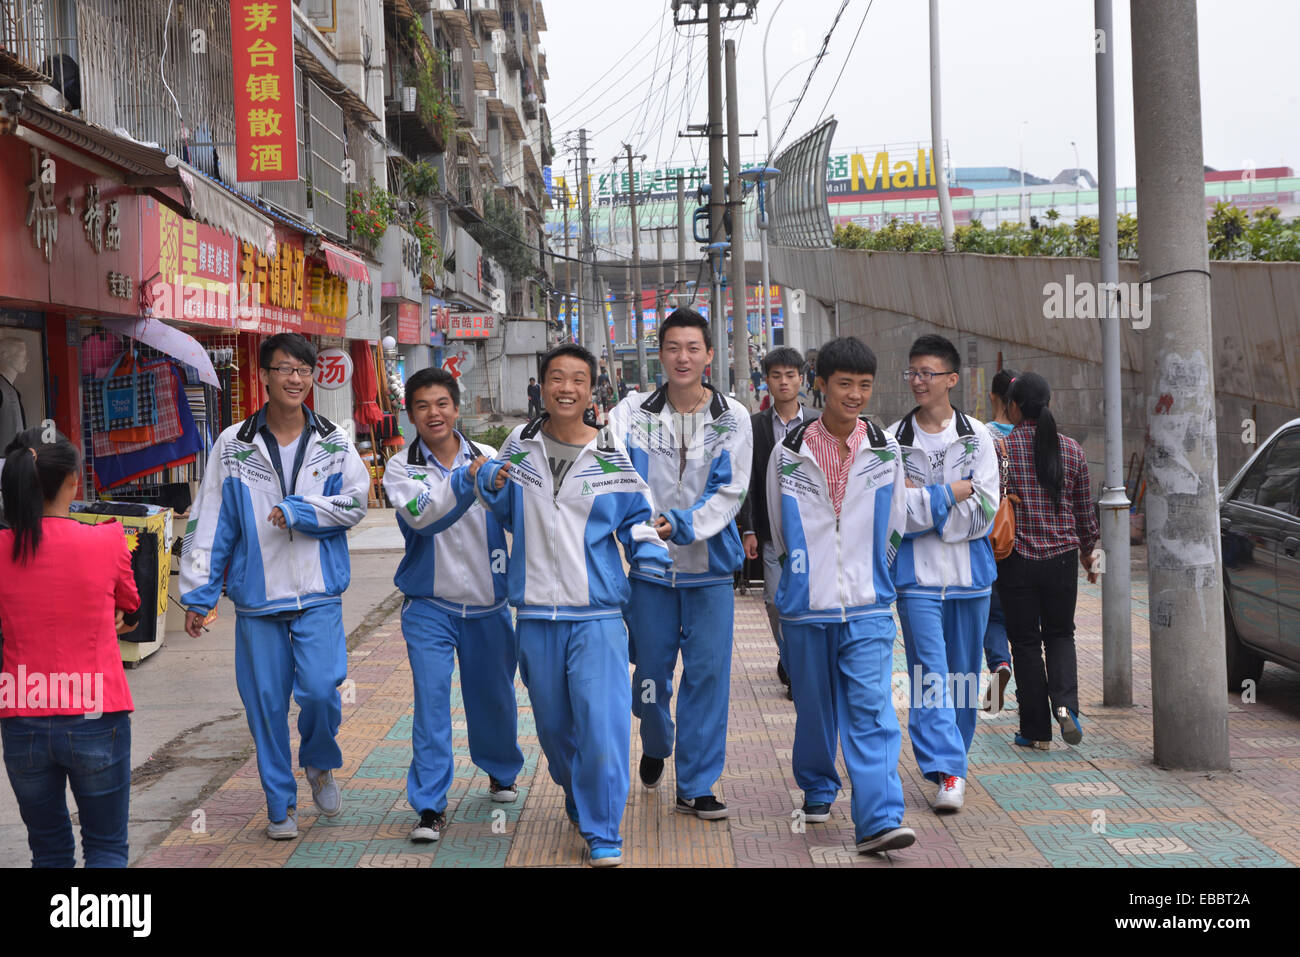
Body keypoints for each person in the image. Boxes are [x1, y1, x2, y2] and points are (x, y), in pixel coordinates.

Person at [476, 343, 670, 867]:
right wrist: (485, 480)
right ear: (542, 385)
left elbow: (637, 519)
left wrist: (651, 553)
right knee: (554, 729)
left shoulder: (611, 456)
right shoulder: (518, 445)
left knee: (603, 726)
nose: (567, 387)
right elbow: (500, 504)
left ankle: (604, 830)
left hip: (599, 616)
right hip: (536, 615)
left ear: (591, 389)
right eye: (557, 377)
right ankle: (575, 787)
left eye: (578, 379)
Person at [180, 332, 370, 840]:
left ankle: (319, 763)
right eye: (284, 369)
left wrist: (299, 511)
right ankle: (279, 805)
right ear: (263, 375)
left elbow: (356, 503)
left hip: (318, 592)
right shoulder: (233, 444)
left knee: (321, 693)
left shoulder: (334, 440)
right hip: (258, 599)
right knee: (265, 704)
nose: (294, 379)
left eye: (303, 371)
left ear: (312, 377)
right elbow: (210, 520)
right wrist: (198, 593)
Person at [766, 337, 915, 854]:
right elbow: (778, 529)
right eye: (845, 384)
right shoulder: (788, 452)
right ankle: (817, 784)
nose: (855, 395)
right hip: (807, 607)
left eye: (865, 386)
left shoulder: (885, 448)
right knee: (814, 707)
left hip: (869, 604)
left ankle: (878, 819)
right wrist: (802, 578)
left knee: (872, 710)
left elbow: (896, 521)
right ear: (821, 384)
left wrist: (874, 573)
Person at [609, 308, 752, 820]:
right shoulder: (630, 413)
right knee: (650, 675)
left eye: (693, 348)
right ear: (660, 354)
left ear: (709, 354)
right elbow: (622, 478)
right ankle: (654, 739)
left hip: (709, 569)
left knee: (707, 676)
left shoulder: (733, 417)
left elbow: (731, 491)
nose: (683, 357)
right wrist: (651, 529)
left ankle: (697, 783)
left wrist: (684, 524)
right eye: (673, 347)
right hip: (649, 571)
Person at [382, 367, 523, 844]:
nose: (433, 413)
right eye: (422, 406)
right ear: (411, 416)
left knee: (495, 699)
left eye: (441, 403)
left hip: (488, 604)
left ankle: (501, 769)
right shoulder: (401, 469)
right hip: (429, 607)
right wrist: (467, 480)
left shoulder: (489, 457)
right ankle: (429, 807)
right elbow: (424, 518)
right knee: (432, 705)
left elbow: (516, 518)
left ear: (456, 408)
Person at [0, 428, 139, 867]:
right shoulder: (108, 539)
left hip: (22, 714)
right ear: (73, 481)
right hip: (96, 711)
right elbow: (131, 606)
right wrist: (118, 615)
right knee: (106, 846)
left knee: (49, 850)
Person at [888, 334, 998, 814]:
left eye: (927, 373)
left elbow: (986, 512)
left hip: (971, 578)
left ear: (951, 380)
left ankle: (949, 761)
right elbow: (897, 514)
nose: (918, 381)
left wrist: (928, 503)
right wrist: (953, 492)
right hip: (916, 581)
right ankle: (951, 770)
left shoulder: (979, 437)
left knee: (963, 679)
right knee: (930, 675)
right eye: (912, 372)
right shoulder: (893, 440)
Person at [997, 372, 1098, 749]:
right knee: (1060, 634)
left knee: (1025, 643)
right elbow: (1084, 513)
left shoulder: (1001, 449)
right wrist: (1088, 553)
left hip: (1017, 559)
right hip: (1062, 560)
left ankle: (1036, 732)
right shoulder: (1072, 450)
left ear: (1016, 407)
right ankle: (1066, 708)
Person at [738, 346, 819, 700]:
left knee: (810, 601)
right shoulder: (754, 427)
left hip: (813, 532)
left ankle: (801, 668)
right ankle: (788, 657)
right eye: (776, 376)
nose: (784, 382)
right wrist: (749, 529)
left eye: (790, 375)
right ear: (766, 381)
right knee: (774, 601)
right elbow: (748, 482)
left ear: (801, 378)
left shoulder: (818, 422)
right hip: (772, 533)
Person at [981, 367, 1018, 712]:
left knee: (992, 616)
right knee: (1023, 619)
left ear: (992, 397)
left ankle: (999, 664)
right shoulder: (1036, 436)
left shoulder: (983, 437)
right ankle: (1034, 692)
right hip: (1030, 543)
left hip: (992, 539)